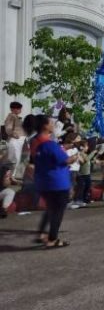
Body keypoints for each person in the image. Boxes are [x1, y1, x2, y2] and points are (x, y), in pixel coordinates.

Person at [33, 114, 77, 248]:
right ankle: (52, 239)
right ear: (45, 126)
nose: (53, 124)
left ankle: (43, 234)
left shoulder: (37, 144)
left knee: (51, 209)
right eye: (51, 123)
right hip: (57, 183)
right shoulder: (50, 145)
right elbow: (65, 160)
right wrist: (74, 157)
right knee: (57, 212)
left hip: (44, 182)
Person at [4, 101, 26, 179]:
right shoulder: (11, 116)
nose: (20, 110)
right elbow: (8, 128)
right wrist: (15, 135)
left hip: (18, 140)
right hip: (15, 140)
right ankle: (9, 177)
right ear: (14, 109)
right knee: (14, 159)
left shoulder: (15, 117)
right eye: (19, 108)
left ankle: (12, 176)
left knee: (16, 159)